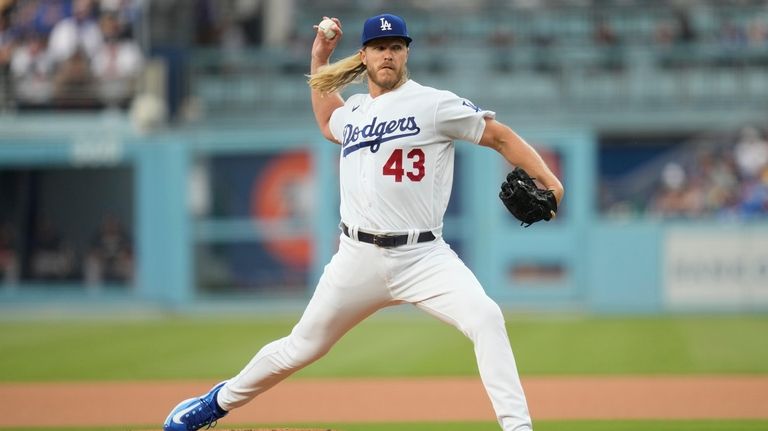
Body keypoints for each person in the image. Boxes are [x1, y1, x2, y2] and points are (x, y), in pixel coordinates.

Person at [163, 13, 564, 431]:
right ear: (365, 56)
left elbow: (499, 136)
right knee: (301, 347)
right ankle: (215, 404)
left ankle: (518, 427)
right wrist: (319, 55)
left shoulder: (434, 103)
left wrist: (549, 181)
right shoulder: (353, 111)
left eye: (395, 47)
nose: (388, 54)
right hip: (357, 257)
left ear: (406, 53)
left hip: (424, 256)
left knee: (486, 317)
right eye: (379, 47)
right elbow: (325, 119)